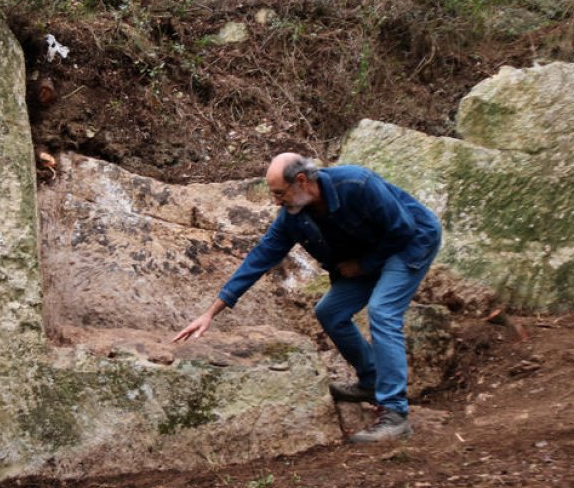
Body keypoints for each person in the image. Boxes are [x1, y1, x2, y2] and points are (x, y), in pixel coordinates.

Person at [172, 153, 441, 443]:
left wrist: (363, 266)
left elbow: (403, 228)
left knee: (383, 311)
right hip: (368, 255)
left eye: (279, 193)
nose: (276, 202)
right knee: (330, 312)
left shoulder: (357, 183)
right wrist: (211, 312)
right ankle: (372, 380)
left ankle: (395, 414)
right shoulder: (293, 217)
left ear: (301, 181)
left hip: (411, 242)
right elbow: (259, 258)